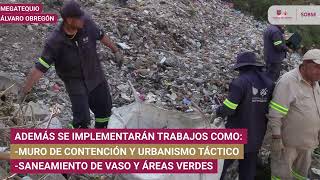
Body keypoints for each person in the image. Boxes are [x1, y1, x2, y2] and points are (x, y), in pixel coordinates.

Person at [18, 0, 124, 129]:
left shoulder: (87, 25)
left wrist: (116, 50)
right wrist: (25, 90)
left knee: (104, 112)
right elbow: (40, 67)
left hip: (95, 75)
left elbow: (101, 36)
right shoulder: (55, 42)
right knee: (82, 119)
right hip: (74, 81)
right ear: (69, 20)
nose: (82, 20)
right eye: (79, 18)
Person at [217, 52, 274, 180]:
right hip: (256, 134)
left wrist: (218, 111)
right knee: (248, 171)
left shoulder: (239, 82)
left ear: (241, 67)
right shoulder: (269, 84)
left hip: (236, 134)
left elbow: (229, 109)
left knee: (221, 166)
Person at [268, 49, 320, 180]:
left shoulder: (315, 83)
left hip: (308, 144)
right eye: (317, 67)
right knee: (282, 175)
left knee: (300, 175)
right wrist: (276, 138)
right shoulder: (288, 82)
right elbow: (275, 113)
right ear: (305, 64)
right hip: (287, 145)